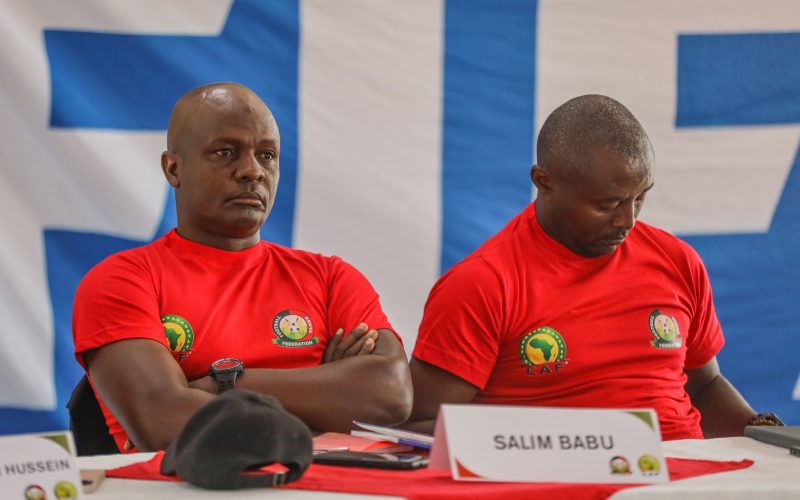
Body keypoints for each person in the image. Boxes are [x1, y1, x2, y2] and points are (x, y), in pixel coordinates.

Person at [407, 94, 778, 440]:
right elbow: (416, 423)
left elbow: (705, 385)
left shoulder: (677, 260)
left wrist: (762, 435)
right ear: (543, 182)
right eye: (608, 204)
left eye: (640, 198)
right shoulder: (483, 284)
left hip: (691, 480)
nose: (627, 220)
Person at [72, 82, 412, 452]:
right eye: (225, 152)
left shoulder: (331, 277)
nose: (252, 171)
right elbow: (165, 423)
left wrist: (226, 383)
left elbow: (390, 395)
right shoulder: (121, 281)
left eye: (267, 155)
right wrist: (325, 396)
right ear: (173, 169)